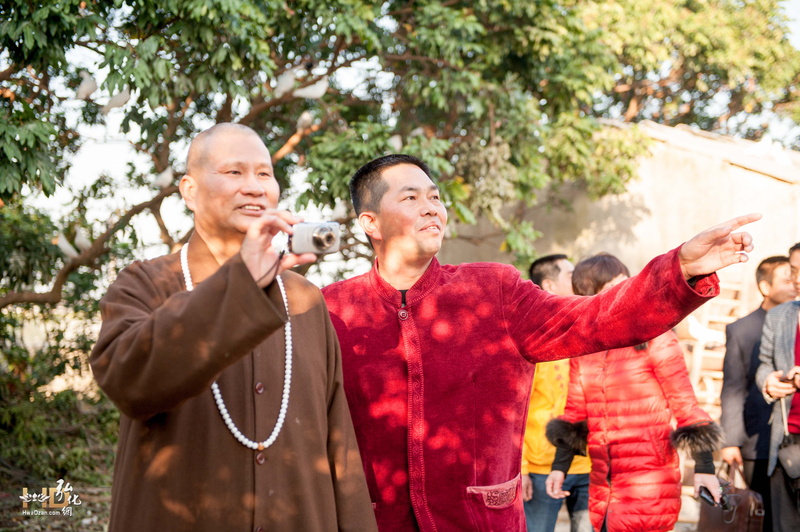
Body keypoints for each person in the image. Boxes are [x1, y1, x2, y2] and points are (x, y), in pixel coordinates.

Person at [321, 153, 758, 531]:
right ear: (370, 222)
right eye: (411, 197)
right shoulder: (332, 309)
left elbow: (595, 319)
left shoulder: (493, 289)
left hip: (482, 521)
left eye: (435, 196)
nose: (432, 207)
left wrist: (680, 269)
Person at [89, 123, 378, 532]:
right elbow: (128, 382)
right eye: (234, 173)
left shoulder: (306, 299)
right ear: (189, 190)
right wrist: (241, 281)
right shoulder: (145, 284)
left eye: (264, 174)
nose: (255, 187)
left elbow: (339, 444)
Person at [544, 253, 722, 532]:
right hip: (604, 490)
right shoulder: (585, 349)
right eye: (611, 289)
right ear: (590, 297)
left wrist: (704, 469)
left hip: (650, 486)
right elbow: (575, 413)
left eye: (626, 284)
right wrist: (559, 468)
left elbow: (686, 406)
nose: (624, 294)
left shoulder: (656, 338)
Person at [720, 255, 796, 531]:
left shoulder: (794, 324)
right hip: (756, 441)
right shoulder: (742, 330)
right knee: (763, 517)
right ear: (765, 287)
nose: (794, 284)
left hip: (789, 437)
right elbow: (733, 386)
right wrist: (730, 440)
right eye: (787, 280)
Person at [522, 255, 591, 532]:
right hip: (542, 465)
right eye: (570, 274)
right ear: (549, 285)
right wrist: (521, 468)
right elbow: (516, 410)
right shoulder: (533, 338)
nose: (579, 280)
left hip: (589, 463)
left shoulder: (587, 329)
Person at [755, 280, 800, 532]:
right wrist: (768, 381)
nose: (797, 278)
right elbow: (764, 363)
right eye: (795, 270)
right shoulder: (779, 315)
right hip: (785, 438)